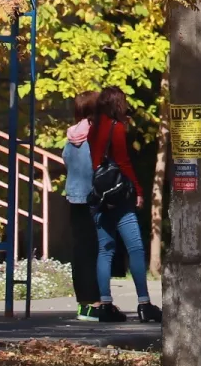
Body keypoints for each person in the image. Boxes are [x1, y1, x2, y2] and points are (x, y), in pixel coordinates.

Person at [89, 86, 160, 323]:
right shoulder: (116, 128)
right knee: (136, 248)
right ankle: (144, 303)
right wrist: (137, 190)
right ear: (117, 104)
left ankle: (105, 304)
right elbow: (124, 162)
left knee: (104, 250)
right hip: (119, 197)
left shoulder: (93, 129)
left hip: (99, 197)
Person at [62, 91, 104, 321]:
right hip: (94, 197)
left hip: (74, 197)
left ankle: (84, 304)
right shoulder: (95, 134)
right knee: (98, 250)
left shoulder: (72, 135)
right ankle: (98, 302)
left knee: (81, 251)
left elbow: (66, 160)